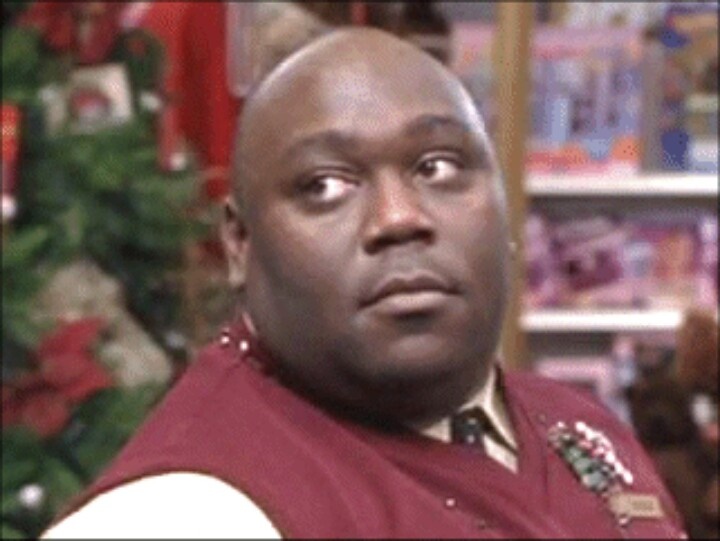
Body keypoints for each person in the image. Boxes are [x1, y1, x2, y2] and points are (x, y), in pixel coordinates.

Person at [43, 28, 687, 539]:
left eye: (436, 167)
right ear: (239, 244)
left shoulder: (582, 428)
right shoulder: (188, 512)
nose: (398, 218)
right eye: (325, 186)